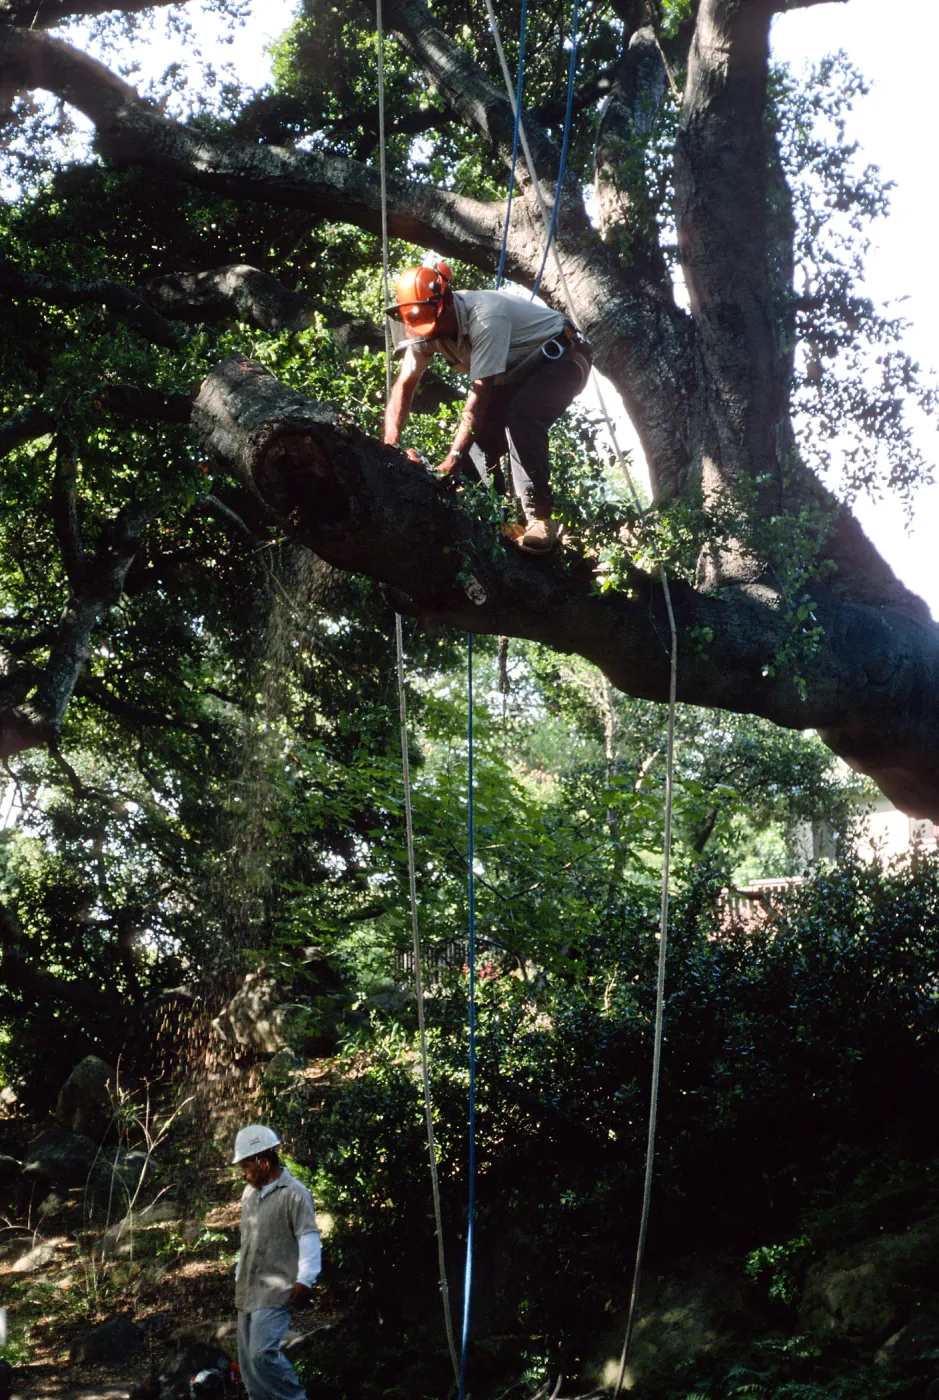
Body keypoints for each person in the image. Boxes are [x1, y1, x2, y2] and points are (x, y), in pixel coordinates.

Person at [383, 262, 592, 555]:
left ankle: (540, 518)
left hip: (560, 360)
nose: (431, 334)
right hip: (514, 375)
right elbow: (404, 386)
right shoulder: (422, 325)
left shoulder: (485, 317)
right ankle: (501, 521)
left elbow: (479, 398)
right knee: (477, 445)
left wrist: (451, 458)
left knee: (521, 416)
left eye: (435, 324)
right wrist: (389, 446)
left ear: (445, 301)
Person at [232, 1125, 321, 1400]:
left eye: (246, 1165)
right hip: (248, 1287)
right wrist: (238, 1273)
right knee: (248, 1366)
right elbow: (248, 1240)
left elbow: (308, 1236)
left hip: (276, 1289)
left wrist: (306, 1278)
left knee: (262, 1355)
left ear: (263, 1161)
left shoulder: (294, 1194)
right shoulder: (249, 1195)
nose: (242, 1172)